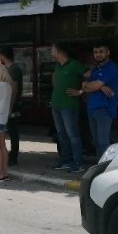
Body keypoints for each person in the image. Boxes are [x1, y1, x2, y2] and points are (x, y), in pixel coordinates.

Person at [69, 42, 118, 161]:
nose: (98, 54)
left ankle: (106, 169)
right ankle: (99, 167)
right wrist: (100, 86)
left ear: (108, 52)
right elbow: (84, 85)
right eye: (95, 52)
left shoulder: (112, 67)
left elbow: (92, 85)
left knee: (103, 142)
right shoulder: (96, 69)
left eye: (101, 51)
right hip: (92, 108)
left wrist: (95, 85)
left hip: (104, 110)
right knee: (96, 142)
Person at [50, 44, 86, 173]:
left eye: (52, 50)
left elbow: (90, 76)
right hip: (57, 105)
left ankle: (78, 163)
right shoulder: (58, 66)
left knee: (73, 134)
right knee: (62, 134)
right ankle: (66, 160)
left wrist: (81, 91)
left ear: (59, 51)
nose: (51, 53)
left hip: (69, 106)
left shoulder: (75, 64)